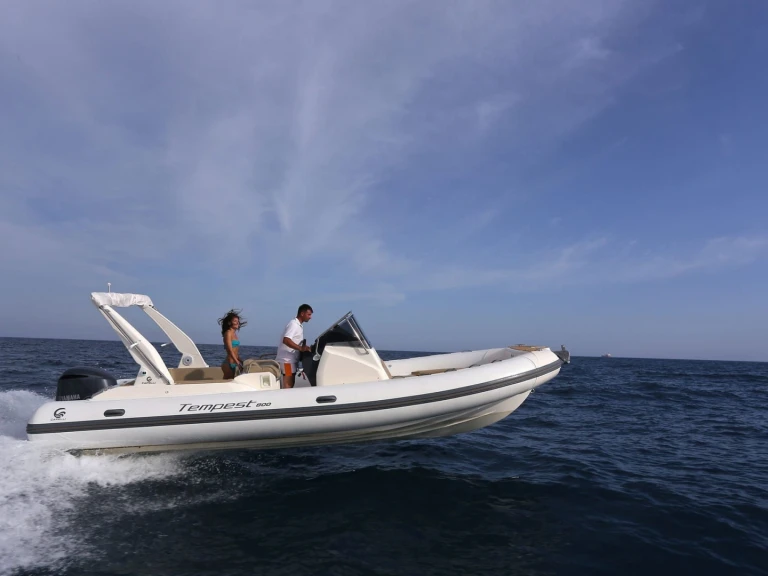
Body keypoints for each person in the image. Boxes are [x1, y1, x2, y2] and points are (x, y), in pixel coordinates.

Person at [276, 304, 313, 388]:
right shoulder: (294, 324)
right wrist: (300, 348)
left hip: (292, 360)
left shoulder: (299, 325)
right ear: (302, 313)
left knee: (291, 383)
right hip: (287, 361)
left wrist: (305, 348)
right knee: (288, 385)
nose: (310, 317)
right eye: (309, 314)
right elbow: (286, 340)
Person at [218, 309, 247, 379]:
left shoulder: (235, 334)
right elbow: (230, 350)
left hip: (235, 362)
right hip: (229, 364)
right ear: (229, 323)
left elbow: (235, 351)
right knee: (227, 385)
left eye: (238, 321)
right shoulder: (228, 333)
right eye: (235, 321)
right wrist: (237, 362)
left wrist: (241, 361)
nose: (237, 323)